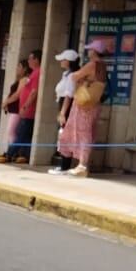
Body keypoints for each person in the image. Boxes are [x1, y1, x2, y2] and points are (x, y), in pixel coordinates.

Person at [60, 39, 106, 178]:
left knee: (83, 132)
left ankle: (82, 165)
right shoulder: (103, 66)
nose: (89, 52)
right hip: (94, 103)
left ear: (94, 51)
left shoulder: (92, 64)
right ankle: (83, 164)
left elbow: (74, 76)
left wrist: (81, 79)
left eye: (90, 49)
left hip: (84, 104)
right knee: (88, 132)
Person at [48, 49, 79, 175]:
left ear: (69, 61)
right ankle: (62, 164)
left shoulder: (72, 76)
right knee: (62, 135)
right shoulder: (65, 74)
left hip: (68, 107)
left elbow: (68, 95)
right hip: (62, 105)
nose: (61, 61)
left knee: (65, 136)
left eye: (63, 59)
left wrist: (63, 113)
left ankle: (65, 166)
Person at [0, 58, 28, 164]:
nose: (17, 69)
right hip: (13, 110)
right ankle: (13, 152)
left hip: (17, 110)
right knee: (11, 132)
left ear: (25, 69)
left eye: (19, 67)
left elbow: (17, 94)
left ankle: (13, 153)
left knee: (11, 131)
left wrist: (6, 102)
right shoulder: (19, 79)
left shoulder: (24, 80)